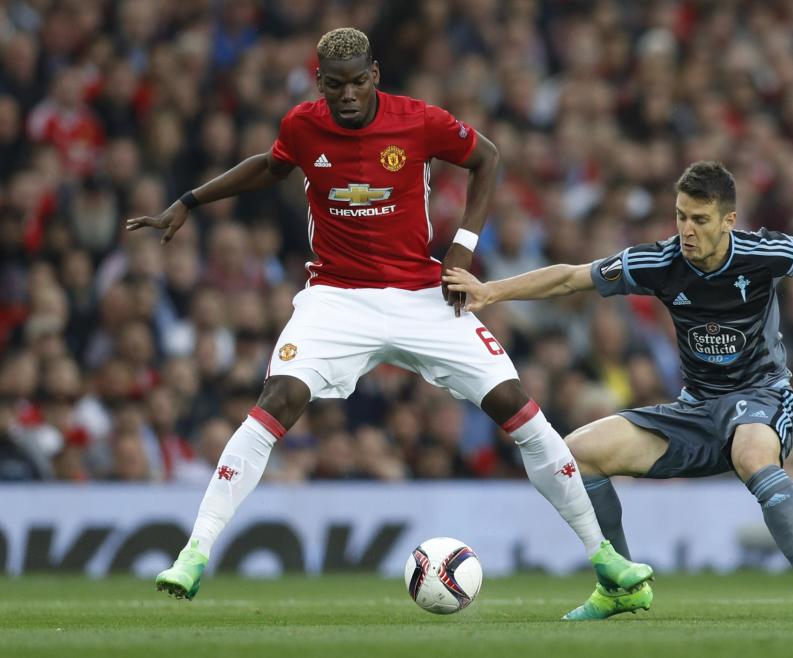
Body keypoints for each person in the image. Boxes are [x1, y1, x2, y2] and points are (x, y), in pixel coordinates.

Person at [127, 27, 650, 606]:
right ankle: (194, 554)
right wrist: (189, 201)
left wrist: (463, 245)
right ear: (318, 83)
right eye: (334, 86)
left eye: (356, 83)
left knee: (517, 409)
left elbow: (487, 159)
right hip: (335, 298)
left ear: (374, 75)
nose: (346, 96)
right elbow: (271, 167)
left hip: (421, 295)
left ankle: (605, 559)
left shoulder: (418, 120)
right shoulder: (302, 125)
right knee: (276, 400)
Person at [444, 161, 793, 621]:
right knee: (575, 454)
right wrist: (491, 292)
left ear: (729, 221)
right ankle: (619, 587)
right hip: (696, 409)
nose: (687, 230)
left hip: (760, 396)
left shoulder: (763, 253)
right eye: (681, 216)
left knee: (752, 454)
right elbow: (570, 277)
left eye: (699, 220)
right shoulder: (660, 263)